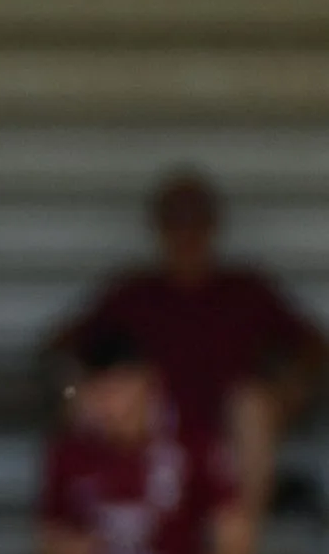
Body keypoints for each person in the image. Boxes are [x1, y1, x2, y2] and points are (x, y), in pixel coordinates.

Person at [50, 171, 324, 520]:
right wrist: (79, 394)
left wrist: (289, 390)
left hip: (227, 439)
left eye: (196, 220)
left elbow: (314, 345)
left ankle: (239, 538)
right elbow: (60, 349)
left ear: (214, 226)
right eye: (174, 221)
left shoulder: (245, 290)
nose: (186, 233)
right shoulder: (135, 294)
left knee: (252, 405)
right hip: (151, 430)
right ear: (157, 228)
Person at [0, 328, 254, 554]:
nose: (110, 404)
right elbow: (46, 545)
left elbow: (234, 551)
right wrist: (71, 553)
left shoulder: (193, 443)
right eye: (99, 391)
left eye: (119, 389)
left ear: (149, 383)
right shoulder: (71, 448)